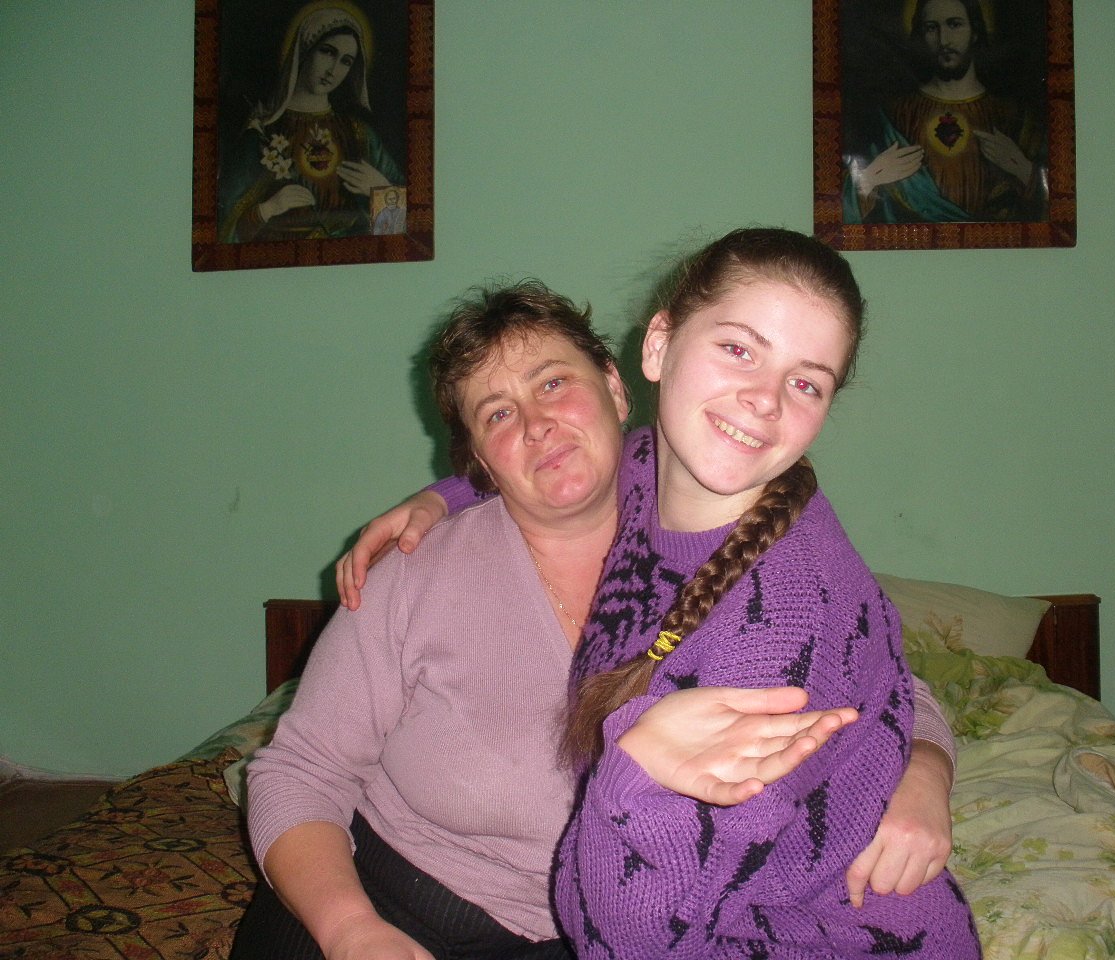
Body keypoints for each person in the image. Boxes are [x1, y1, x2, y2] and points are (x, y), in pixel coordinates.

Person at [232, 283, 864, 960]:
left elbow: (875, 673)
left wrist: (921, 770)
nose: (536, 425)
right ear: (479, 459)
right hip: (381, 895)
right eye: (499, 414)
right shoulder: (416, 575)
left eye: (554, 383)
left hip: (605, 931)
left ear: (616, 389)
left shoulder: (735, 547)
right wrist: (349, 929)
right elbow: (298, 770)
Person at [552, 228, 981, 957]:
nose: (763, 400)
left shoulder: (776, 632)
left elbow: (640, 941)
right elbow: (557, 471)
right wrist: (438, 501)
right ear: (658, 346)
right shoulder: (649, 468)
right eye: (738, 349)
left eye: (806, 383)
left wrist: (632, 781)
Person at [844, 0, 1045, 224]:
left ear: (975, 31)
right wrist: (869, 179)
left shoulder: (1014, 117)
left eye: (954, 24)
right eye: (931, 28)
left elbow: (1056, 213)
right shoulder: (893, 115)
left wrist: (1025, 171)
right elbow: (841, 215)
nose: (943, 40)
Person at [218, 2, 404, 243]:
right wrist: (268, 209)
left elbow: (400, 234)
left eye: (346, 61)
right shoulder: (262, 132)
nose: (333, 70)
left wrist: (380, 188)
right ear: (305, 50)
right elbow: (224, 228)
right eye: (327, 52)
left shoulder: (359, 134)